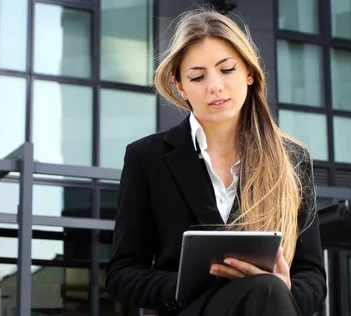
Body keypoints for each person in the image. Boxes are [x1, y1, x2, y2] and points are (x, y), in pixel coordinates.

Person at [105, 7, 327, 316]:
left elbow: (312, 273)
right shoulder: (148, 157)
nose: (215, 86)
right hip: (192, 309)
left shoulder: (292, 159)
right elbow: (122, 273)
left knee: (267, 290)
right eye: (197, 76)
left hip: (270, 305)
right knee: (265, 291)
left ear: (249, 72)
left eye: (227, 69)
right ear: (181, 87)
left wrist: (285, 288)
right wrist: (186, 285)